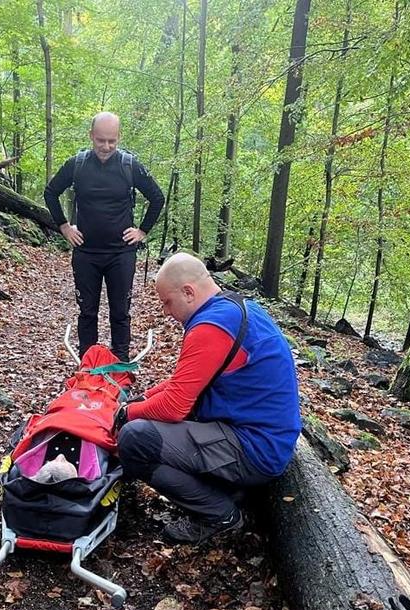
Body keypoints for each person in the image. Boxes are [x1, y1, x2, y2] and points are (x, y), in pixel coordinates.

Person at [115, 252, 302, 545]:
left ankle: (218, 515)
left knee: (135, 439)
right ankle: (223, 492)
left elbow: (175, 406)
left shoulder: (210, 328)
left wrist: (127, 413)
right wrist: (143, 399)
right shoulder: (235, 308)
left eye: (167, 302)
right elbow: (186, 383)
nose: (165, 311)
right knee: (142, 423)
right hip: (264, 437)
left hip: (255, 448)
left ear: (188, 292)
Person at [44, 112, 165, 362]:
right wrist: (64, 227)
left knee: (120, 313)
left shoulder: (129, 165)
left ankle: (120, 364)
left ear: (118, 138)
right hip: (86, 253)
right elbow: (51, 192)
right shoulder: (77, 164)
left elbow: (157, 197)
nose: (106, 147)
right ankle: (87, 365)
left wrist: (142, 231)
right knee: (87, 313)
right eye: (101, 140)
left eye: (112, 141)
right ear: (91, 136)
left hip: (121, 254)